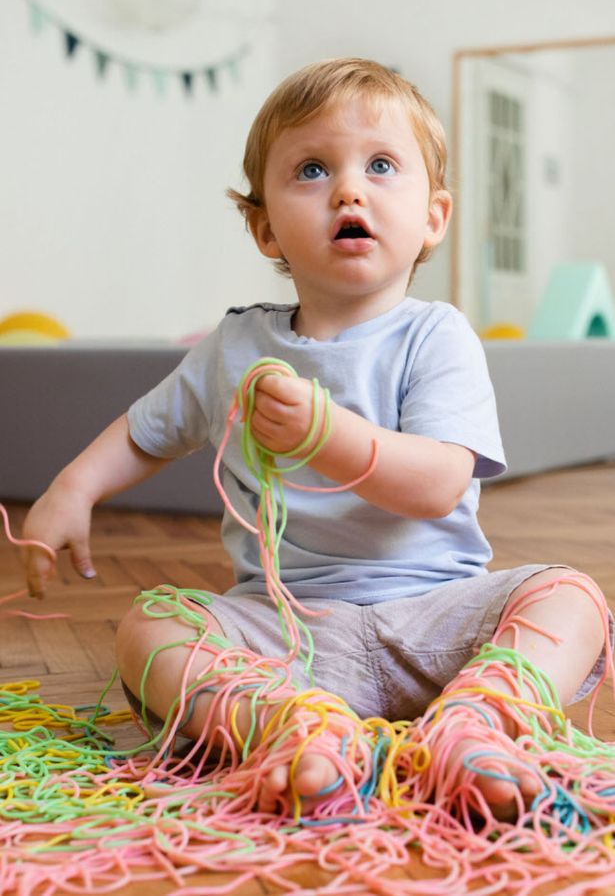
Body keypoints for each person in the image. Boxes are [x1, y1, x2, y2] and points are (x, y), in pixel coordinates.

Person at [23, 58, 609, 821]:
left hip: (434, 622)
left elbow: (438, 484)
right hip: (287, 633)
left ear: (432, 216)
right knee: (149, 626)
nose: (349, 190)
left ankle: (479, 722)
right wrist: (73, 490)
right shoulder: (233, 346)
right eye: (310, 168)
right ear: (264, 224)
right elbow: (146, 432)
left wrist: (329, 436)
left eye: (380, 166)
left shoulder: (436, 336)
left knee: (570, 595)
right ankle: (294, 730)